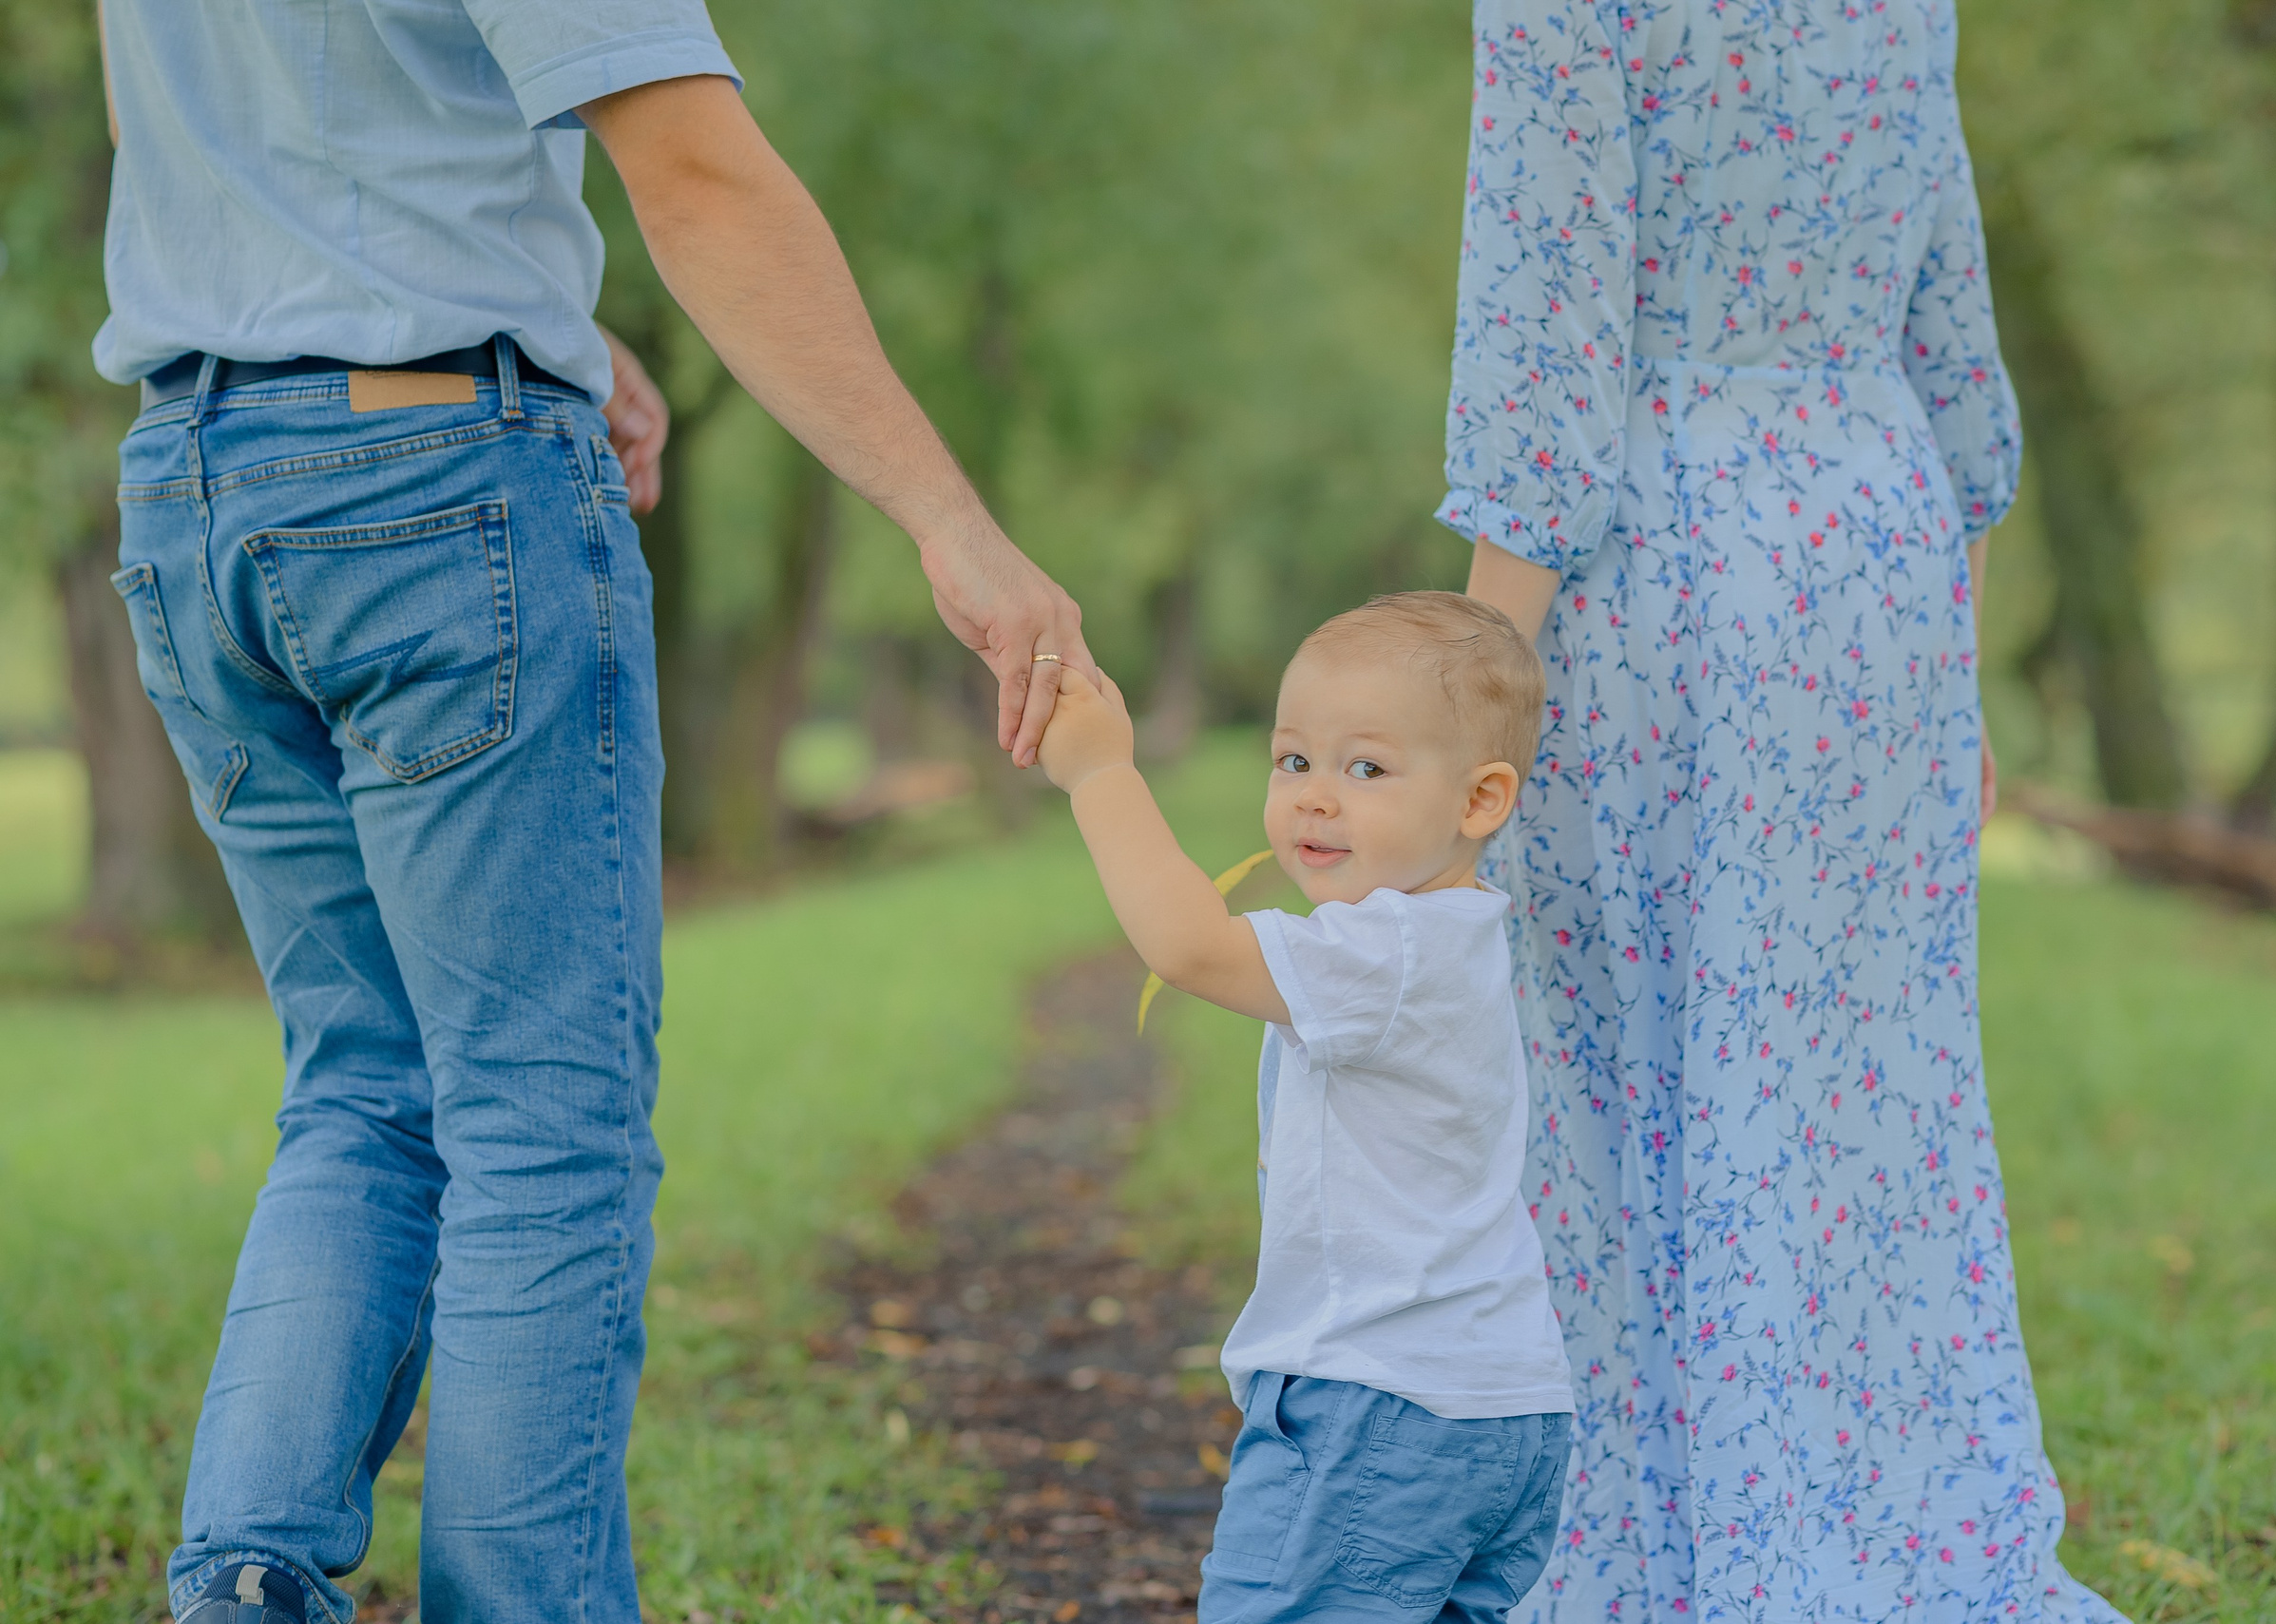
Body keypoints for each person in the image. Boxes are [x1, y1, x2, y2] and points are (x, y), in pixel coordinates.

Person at [92, 4, 1088, 1621]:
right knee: (538, 1122)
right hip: (433, 491)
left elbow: (188, 136)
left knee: (363, 1081)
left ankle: (246, 1573)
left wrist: (534, 308)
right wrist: (948, 517)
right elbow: (693, 167)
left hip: (196, 482)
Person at [1443, 2, 2127, 1618]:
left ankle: (1654, 1553)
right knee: (1867, 1089)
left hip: (1664, 557)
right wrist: (1940, 610)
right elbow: (1955, 344)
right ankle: (1905, 1528)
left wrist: (1466, 708)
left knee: (1623, 1069)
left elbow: (1546, 345)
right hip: (1880, 555)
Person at [1036, 592, 1576, 1624]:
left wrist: (1101, 773)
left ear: (1480, 799)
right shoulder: (1455, 938)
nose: (1316, 797)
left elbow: (1190, 944)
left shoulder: (1391, 951)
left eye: (1366, 768)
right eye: (1294, 761)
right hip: (1504, 1410)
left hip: (1376, 1408)